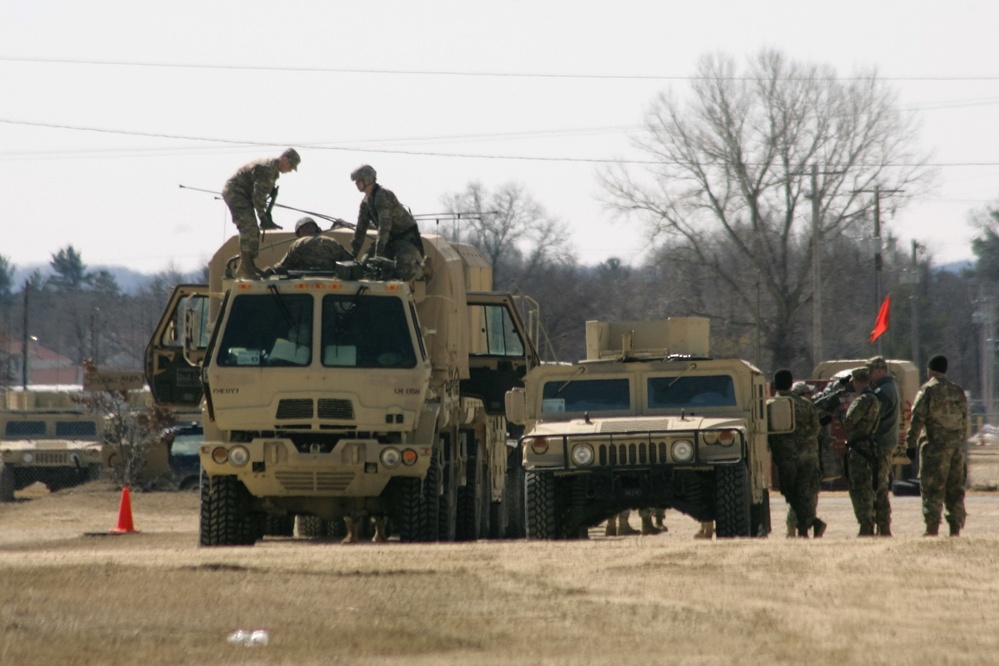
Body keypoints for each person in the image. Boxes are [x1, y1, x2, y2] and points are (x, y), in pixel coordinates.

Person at [905, 355, 969, 537]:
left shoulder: (928, 390)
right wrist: (960, 443)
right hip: (956, 448)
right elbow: (965, 420)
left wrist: (910, 444)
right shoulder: (958, 391)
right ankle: (955, 527)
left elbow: (917, 419)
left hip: (935, 448)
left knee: (932, 488)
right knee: (954, 489)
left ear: (930, 370)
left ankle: (932, 527)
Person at [222, 148, 301, 279]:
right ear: (285, 159)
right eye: (291, 166)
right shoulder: (267, 169)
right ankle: (245, 268)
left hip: (242, 195)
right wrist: (263, 217)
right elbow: (258, 196)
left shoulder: (272, 169)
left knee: (253, 230)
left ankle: (248, 265)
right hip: (236, 193)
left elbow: (259, 195)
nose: (290, 170)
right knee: (249, 227)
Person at [769, 369, 825, 538]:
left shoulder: (770, 406)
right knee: (805, 493)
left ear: (775, 385)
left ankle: (811, 524)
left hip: (788, 457)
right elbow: (816, 428)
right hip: (808, 455)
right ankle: (804, 529)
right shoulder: (805, 404)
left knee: (791, 494)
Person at [349, 165, 425, 280]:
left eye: (359, 181)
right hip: (389, 238)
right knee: (365, 265)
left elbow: (384, 227)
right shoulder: (365, 203)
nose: (356, 184)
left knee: (403, 272)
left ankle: (423, 269)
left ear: (368, 180)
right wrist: (353, 255)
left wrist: (378, 255)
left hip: (405, 236)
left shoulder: (383, 196)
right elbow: (360, 230)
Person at [843, 367, 881, 536]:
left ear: (857, 381)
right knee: (868, 487)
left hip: (859, 450)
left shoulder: (862, 400)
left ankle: (865, 526)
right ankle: (869, 524)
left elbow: (849, 422)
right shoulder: (875, 399)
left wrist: (839, 413)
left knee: (859, 489)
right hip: (869, 447)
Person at [867, 356, 901, 536]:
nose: (869, 375)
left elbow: (873, 417)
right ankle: (882, 526)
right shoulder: (891, 387)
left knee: (879, 487)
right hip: (887, 442)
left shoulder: (882, 392)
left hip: (881, 443)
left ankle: (884, 527)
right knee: (881, 485)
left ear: (880, 370)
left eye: (871, 371)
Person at [264, 217, 352, 274]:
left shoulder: (298, 243)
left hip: (303, 284)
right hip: (330, 282)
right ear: (317, 228)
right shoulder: (332, 242)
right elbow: (349, 260)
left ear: (300, 232)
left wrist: (271, 270)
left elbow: (285, 265)